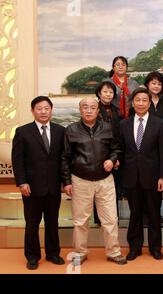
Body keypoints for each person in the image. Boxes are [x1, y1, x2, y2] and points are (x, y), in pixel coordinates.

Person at [62, 97, 126, 265]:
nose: (89, 110)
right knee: (80, 220)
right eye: (85, 107)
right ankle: (80, 252)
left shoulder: (108, 128)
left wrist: (112, 160)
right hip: (80, 180)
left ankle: (114, 251)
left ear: (98, 111)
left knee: (110, 219)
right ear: (80, 110)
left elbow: (116, 149)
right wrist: (67, 181)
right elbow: (65, 158)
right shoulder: (71, 130)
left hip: (105, 181)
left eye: (92, 107)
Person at [12, 96, 66, 270]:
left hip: (53, 187)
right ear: (33, 111)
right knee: (32, 224)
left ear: (51, 110)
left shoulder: (60, 131)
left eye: (46, 108)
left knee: (52, 221)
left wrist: (65, 182)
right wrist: (22, 182)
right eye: (39, 108)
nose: (43, 111)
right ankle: (32, 256)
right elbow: (17, 160)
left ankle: (53, 253)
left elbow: (63, 159)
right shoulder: (22, 132)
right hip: (31, 187)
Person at [119, 88, 163, 261]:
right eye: (137, 100)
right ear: (133, 103)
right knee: (135, 214)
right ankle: (135, 247)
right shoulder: (124, 124)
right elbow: (121, 151)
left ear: (149, 103)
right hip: (131, 177)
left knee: (154, 214)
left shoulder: (160, 123)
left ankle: (155, 248)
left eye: (144, 100)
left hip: (153, 177)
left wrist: (162, 176)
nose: (140, 103)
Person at [93, 81, 123, 225]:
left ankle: (113, 220)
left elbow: (119, 135)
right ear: (99, 93)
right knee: (97, 190)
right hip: (97, 155)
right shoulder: (93, 109)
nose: (108, 94)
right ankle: (98, 220)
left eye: (111, 92)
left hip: (114, 155)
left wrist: (116, 157)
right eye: (105, 91)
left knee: (113, 190)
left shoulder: (117, 111)